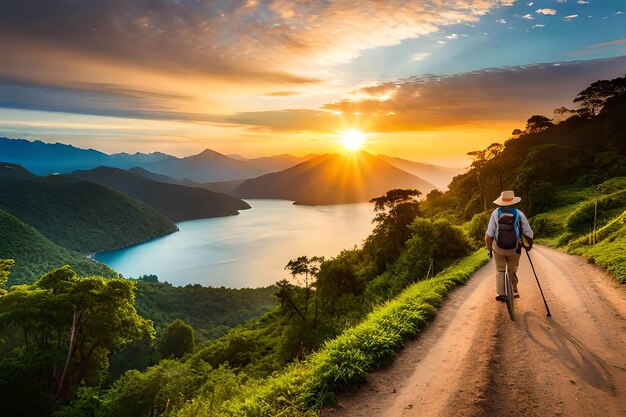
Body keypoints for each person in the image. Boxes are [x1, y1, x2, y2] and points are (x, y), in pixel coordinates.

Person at [485, 190, 534, 302]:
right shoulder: (519, 213)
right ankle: (514, 289)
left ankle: (501, 293)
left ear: (500, 202)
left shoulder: (495, 213)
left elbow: (489, 235)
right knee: (512, 270)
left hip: (498, 248)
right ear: (513, 201)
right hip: (514, 248)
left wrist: (490, 250)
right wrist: (528, 246)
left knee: (500, 270)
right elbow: (528, 233)